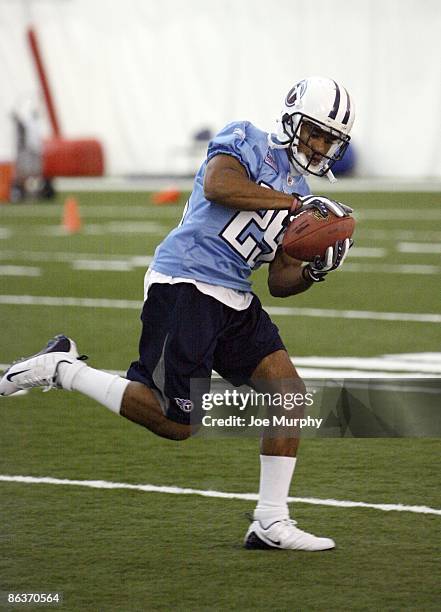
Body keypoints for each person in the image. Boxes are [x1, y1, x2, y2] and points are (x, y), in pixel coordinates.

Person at [0, 76, 355, 551]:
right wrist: (290, 203)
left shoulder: (303, 194)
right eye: (316, 132)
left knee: (288, 394)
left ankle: (270, 521)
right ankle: (61, 367)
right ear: (293, 119)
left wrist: (314, 269)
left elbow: (279, 282)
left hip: (235, 296)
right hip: (186, 281)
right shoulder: (247, 139)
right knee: (176, 422)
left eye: (331, 139)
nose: (322, 145)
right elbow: (218, 184)